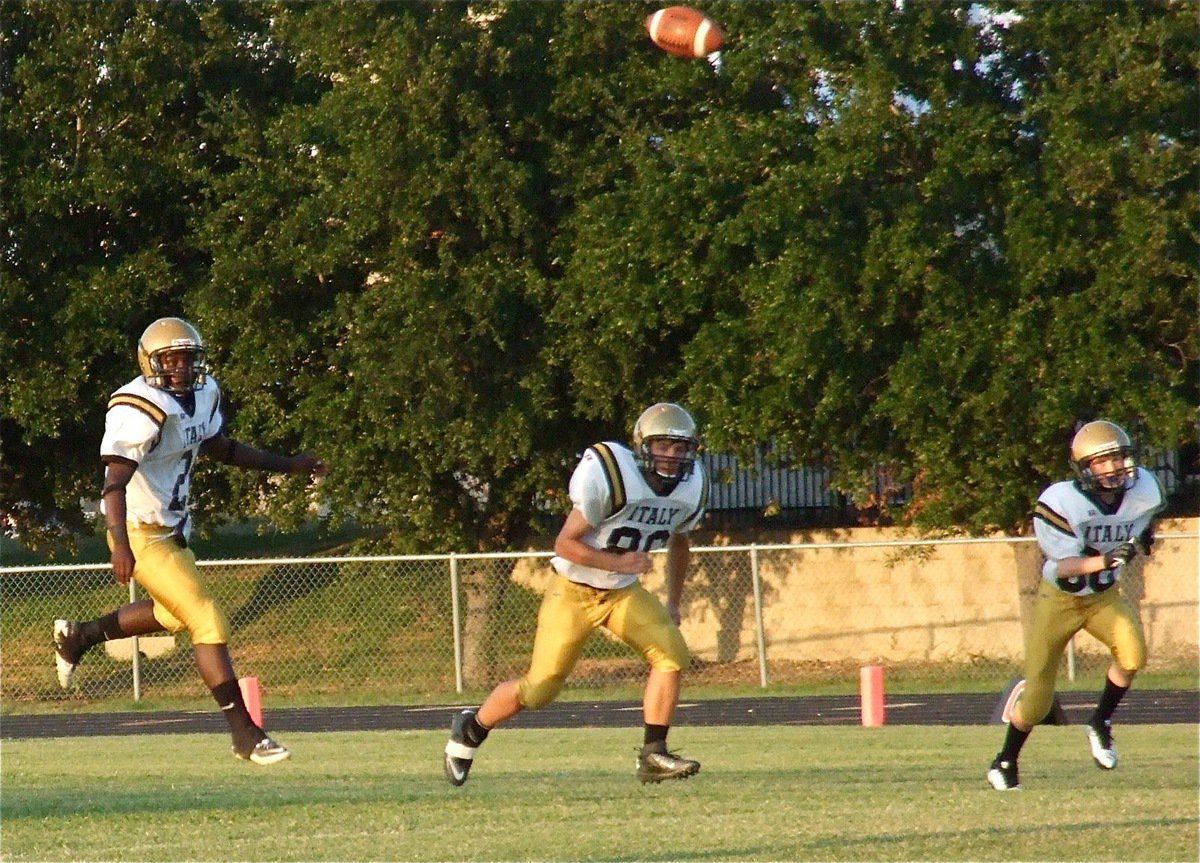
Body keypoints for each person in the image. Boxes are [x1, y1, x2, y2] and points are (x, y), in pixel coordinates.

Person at [53, 317, 328, 766]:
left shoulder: (205, 394)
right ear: (150, 363)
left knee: (170, 612)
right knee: (205, 617)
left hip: (175, 528)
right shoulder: (138, 405)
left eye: (187, 358)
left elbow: (223, 448)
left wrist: (289, 465)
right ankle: (246, 734)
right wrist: (120, 544)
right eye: (171, 359)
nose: (181, 368)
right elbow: (113, 485)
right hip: (141, 530)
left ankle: (81, 636)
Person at [444, 402, 709, 786]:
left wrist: (673, 600)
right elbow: (565, 544)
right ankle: (471, 728)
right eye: (663, 445)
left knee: (671, 654)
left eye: (680, 447)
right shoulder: (613, 475)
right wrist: (618, 564)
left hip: (621, 593)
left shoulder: (691, 486)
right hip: (573, 591)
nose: (672, 455)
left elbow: (680, 540)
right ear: (642, 446)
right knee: (540, 689)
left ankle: (653, 753)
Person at [987, 420, 1164, 790]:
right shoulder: (1062, 501)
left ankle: (1100, 722)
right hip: (1060, 600)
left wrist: (1144, 539)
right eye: (1102, 462)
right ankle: (1005, 761)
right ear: (1085, 468)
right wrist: (1109, 559)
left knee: (1132, 656)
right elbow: (1064, 565)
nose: (1113, 467)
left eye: (1117, 457)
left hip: (1102, 598)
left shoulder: (1143, 490)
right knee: (1036, 700)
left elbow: (1143, 526)